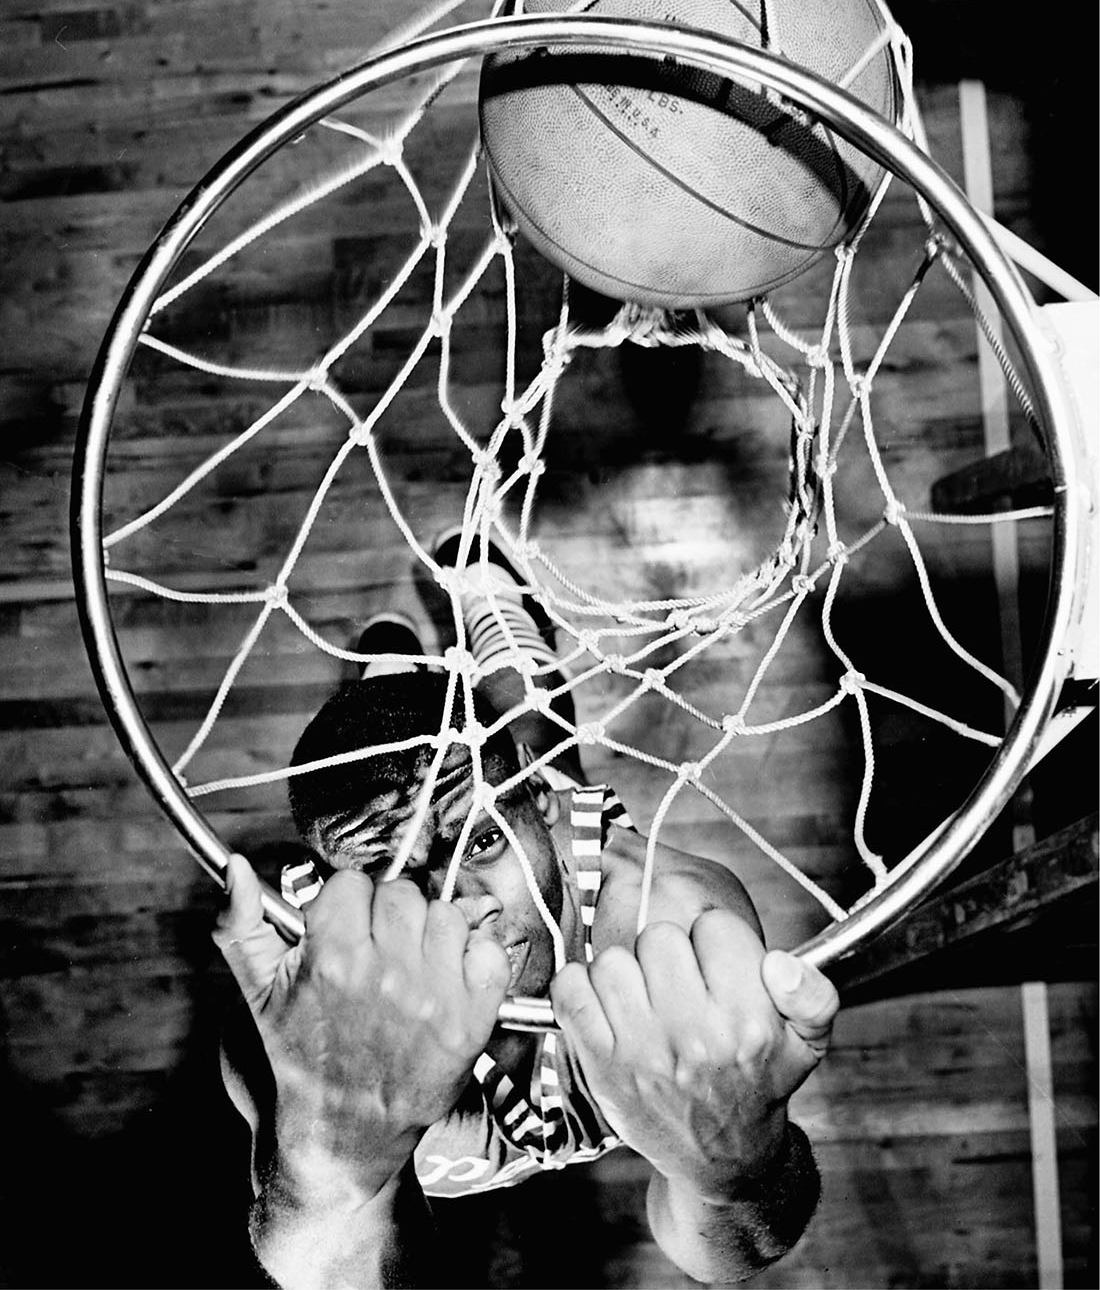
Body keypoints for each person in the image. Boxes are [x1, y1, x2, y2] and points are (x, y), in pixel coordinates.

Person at [215, 533, 839, 1289]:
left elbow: (728, 1251)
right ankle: (384, 669)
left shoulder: (661, 914)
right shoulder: (302, 1027)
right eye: (392, 875)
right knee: (375, 759)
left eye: (478, 841)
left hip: (544, 833)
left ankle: (488, 600)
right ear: (334, 897)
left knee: (537, 732)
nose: (460, 906)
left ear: (542, 814)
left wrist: (740, 1169)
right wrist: (334, 1175)